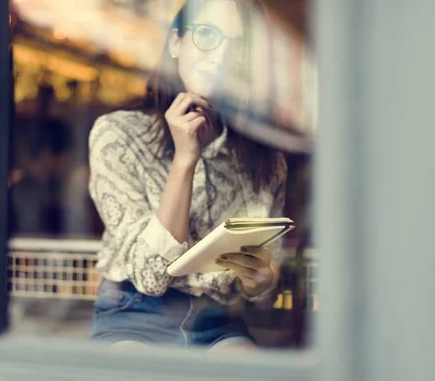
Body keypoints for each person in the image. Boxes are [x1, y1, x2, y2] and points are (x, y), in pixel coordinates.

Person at [88, 0, 287, 351]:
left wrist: (260, 279)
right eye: (207, 34)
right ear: (176, 43)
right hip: (134, 314)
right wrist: (185, 158)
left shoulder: (267, 159)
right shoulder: (117, 135)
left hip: (218, 321)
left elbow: (262, 285)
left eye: (237, 44)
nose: (221, 54)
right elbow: (150, 276)